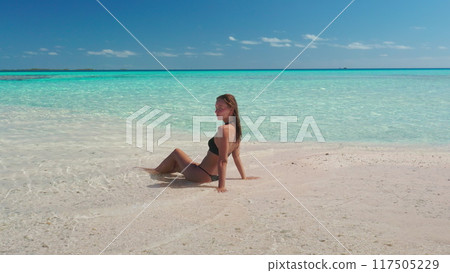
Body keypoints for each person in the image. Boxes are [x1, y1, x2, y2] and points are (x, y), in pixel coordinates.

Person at [145, 94, 256, 192]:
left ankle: (154, 172)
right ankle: (167, 170)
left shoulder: (224, 130)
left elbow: (223, 161)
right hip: (213, 175)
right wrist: (244, 177)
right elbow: (236, 157)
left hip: (202, 175)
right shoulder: (237, 131)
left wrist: (221, 186)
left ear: (231, 110)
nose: (216, 111)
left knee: (176, 152)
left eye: (220, 108)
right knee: (177, 166)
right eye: (216, 108)